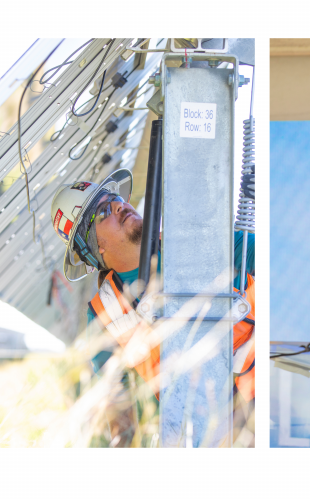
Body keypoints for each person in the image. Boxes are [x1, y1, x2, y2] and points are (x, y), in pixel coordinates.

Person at [48, 168, 255, 445]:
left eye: (114, 199)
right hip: (200, 441)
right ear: (96, 249)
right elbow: (119, 414)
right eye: (102, 213)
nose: (119, 206)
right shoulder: (105, 313)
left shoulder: (204, 244)